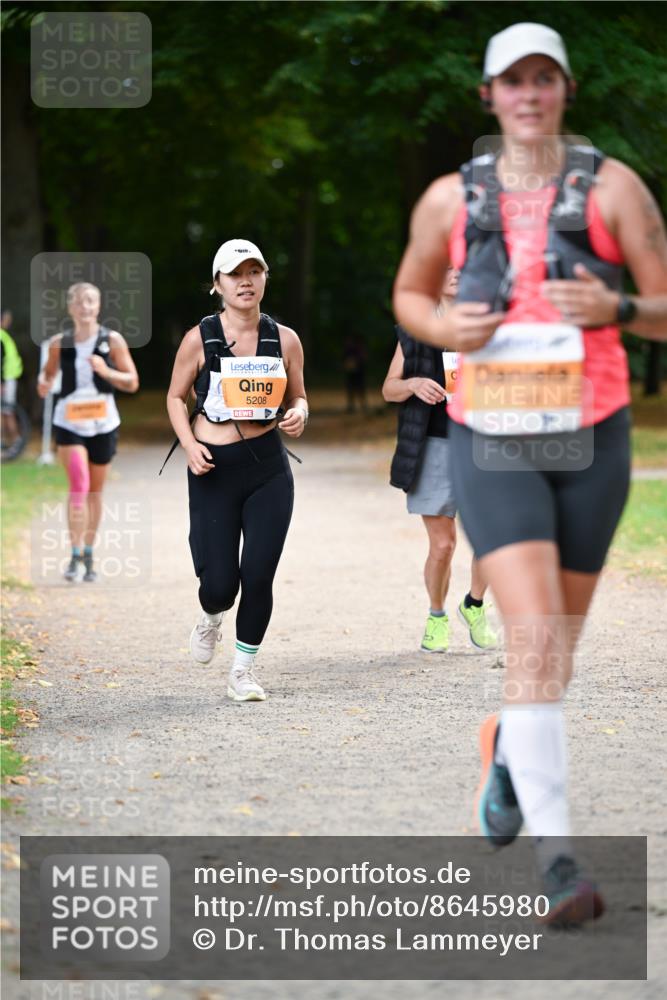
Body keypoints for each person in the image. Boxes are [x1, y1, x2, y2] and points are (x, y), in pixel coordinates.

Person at [393, 22, 667, 924]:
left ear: (564, 89)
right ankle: (559, 865)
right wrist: (444, 331)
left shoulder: (614, 189)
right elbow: (407, 294)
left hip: (592, 436)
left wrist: (621, 304)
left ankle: (505, 747)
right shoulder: (448, 199)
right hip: (491, 438)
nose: (528, 93)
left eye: (543, 78)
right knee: (536, 642)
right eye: (511, 81)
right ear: (488, 97)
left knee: (556, 655)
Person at [166, 239, 308, 703]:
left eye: (254, 271)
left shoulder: (285, 338)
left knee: (259, 573)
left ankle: (242, 671)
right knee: (221, 584)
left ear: (266, 277)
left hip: (268, 469)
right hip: (213, 468)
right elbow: (173, 397)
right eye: (234, 274)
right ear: (217, 284)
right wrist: (188, 445)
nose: (245, 281)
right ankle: (210, 616)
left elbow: (299, 397)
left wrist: (300, 412)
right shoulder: (199, 337)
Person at [382, 267, 497, 653]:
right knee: (443, 546)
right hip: (433, 445)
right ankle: (437, 615)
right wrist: (413, 384)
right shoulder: (415, 330)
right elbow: (388, 389)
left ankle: (475, 604)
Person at [37, 282, 139, 581]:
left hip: (104, 422)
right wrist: (43, 384)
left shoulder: (113, 340)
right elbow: (47, 375)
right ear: (70, 308)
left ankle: (88, 554)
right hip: (69, 421)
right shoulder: (59, 342)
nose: (85, 307)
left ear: (99, 306)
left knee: (95, 491)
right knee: (79, 483)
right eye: (79, 302)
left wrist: (106, 371)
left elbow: (132, 382)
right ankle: (74, 552)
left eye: (90, 301)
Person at [1, 309, 24, 445]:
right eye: (6, 319)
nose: (8, 322)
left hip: (8, 379)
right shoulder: (1, 337)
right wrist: (1, 382)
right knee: (6, 411)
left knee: (6, 410)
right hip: (5, 381)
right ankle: (14, 441)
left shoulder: (4, 336)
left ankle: (8, 441)